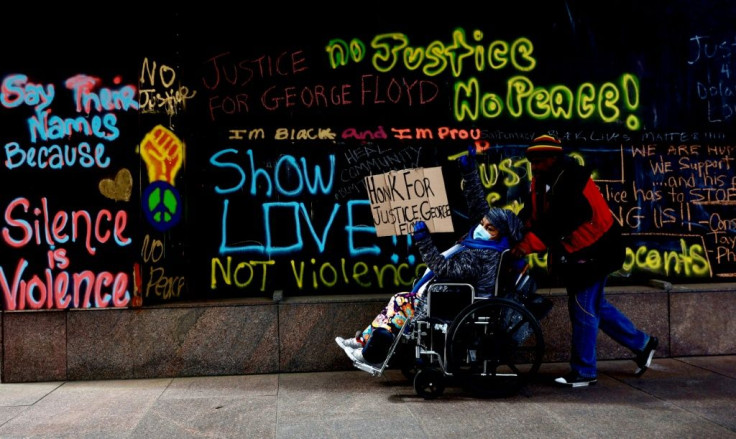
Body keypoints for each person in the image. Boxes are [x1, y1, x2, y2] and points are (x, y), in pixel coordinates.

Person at [336, 147, 551, 367]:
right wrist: (469, 173)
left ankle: (371, 352)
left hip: (453, 301)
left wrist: (423, 239)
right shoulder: (488, 243)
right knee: (399, 301)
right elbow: (479, 206)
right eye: (483, 225)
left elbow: (443, 268)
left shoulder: (483, 254)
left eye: (490, 228)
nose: (482, 228)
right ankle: (363, 341)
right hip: (452, 295)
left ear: (500, 234)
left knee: (401, 301)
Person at [510, 134, 658, 388]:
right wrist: (518, 227)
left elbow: (558, 221)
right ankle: (643, 344)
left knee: (583, 308)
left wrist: (525, 246)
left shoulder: (570, 179)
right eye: (532, 161)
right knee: (595, 305)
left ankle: (584, 371)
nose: (534, 166)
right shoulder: (542, 180)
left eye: (539, 161)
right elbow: (534, 213)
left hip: (595, 253)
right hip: (581, 254)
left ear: (554, 158)